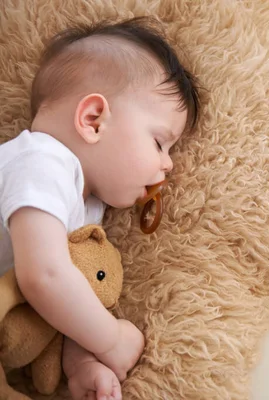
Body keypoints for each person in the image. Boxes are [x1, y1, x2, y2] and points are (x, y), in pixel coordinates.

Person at [0, 16, 201, 400]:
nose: (168, 165)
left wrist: (81, 364)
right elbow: (43, 277)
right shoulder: (40, 161)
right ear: (93, 120)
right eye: (160, 143)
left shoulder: (89, 212)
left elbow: (66, 303)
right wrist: (109, 341)